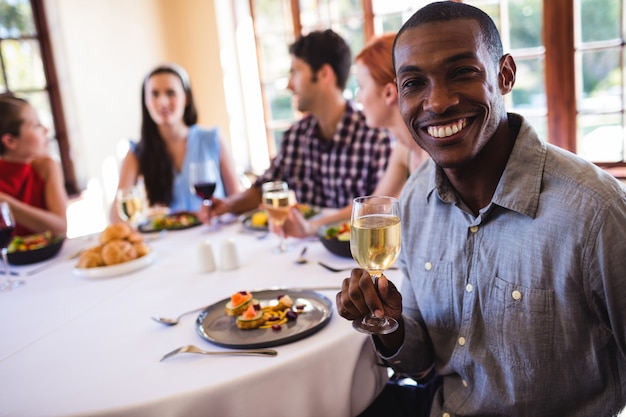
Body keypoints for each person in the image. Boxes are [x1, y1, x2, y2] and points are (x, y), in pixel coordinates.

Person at [337, 2, 626, 417]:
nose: (436, 102)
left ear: (504, 75)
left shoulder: (594, 212)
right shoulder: (416, 199)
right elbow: (420, 364)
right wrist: (389, 324)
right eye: (414, 83)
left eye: (462, 72)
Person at [200, 30, 392, 224]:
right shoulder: (295, 136)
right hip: (301, 248)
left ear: (324, 74)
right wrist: (228, 205)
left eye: (295, 71)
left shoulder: (377, 138)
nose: (289, 84)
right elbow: (263, 189)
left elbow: (381, 208)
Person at [280, 32, 428, 238]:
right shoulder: (404, 149)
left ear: (388, 93)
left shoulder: (433, 152)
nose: (358, 98)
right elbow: (370, 208)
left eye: (361, 87)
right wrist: (310, 228)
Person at [111, 63, 241, 223]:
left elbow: (237, 201)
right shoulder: (137, 153)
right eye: (154, 94)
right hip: (169, 243)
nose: (163, 102)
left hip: (216, 235)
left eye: (170, 93)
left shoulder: (212, 139)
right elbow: (116, 215)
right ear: (146, 102)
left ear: (186, 98)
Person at [0, 94, 68, 237]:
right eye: (36, 125)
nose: (46, 130)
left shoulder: (46, 167)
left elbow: (61, 227)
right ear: (10, 141)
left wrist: (6, 203)